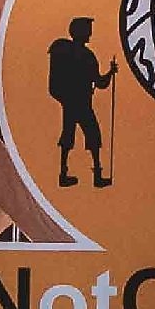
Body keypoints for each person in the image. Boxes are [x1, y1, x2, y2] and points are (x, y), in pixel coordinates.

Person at [46, 12, 112, 184]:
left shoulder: (82, 54)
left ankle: (66, 174)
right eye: (88, 29)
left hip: (73, 102)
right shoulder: (84, 56)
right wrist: (110, 74)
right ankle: (93, 176)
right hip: (79, 103)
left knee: (73, 136)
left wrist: (110, 73)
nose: (90, 33)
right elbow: (100, 82)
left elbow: (99, 82)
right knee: (90, 135)